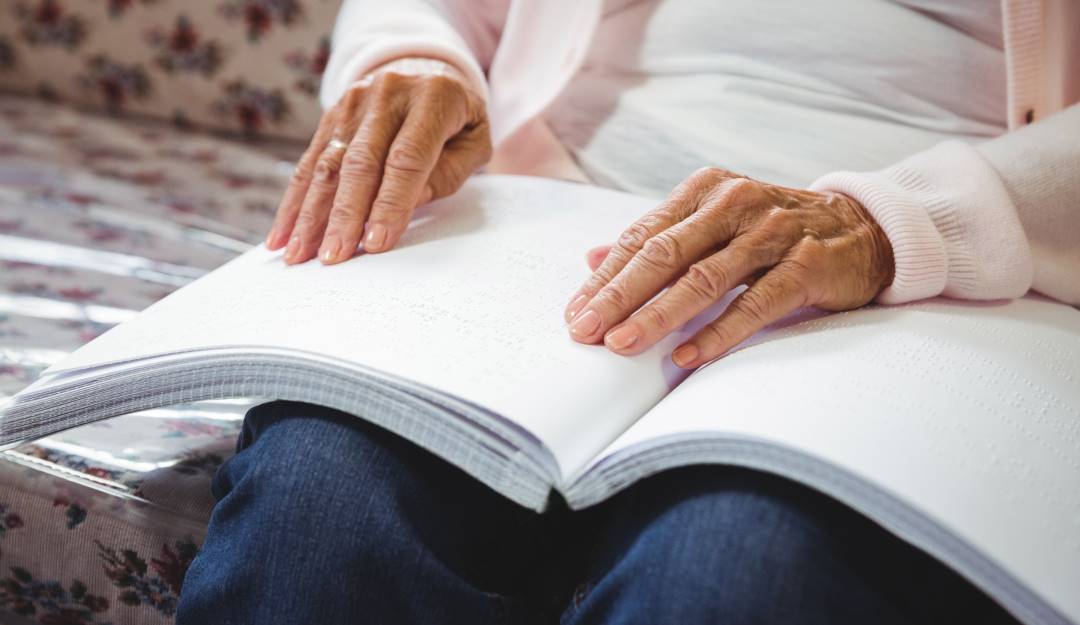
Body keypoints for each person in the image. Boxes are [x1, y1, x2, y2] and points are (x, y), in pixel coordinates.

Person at [177, 1, 1079, 623]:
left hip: (942, 269)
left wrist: (902, 224)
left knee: (732, 569)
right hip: (553, 214)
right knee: (321, 502)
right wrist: (416, 56)